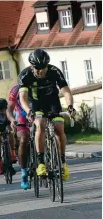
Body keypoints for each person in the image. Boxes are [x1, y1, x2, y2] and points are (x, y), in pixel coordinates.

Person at [18, 48, 76, 181]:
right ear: (32, 66)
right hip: (36, 104)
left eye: (43, 68)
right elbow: (23, 98)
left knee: (59, 127)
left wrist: (70, 106)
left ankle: (62, 162)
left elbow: (66, 91)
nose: (41, 71)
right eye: (37, 68)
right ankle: (41, 162)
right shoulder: (25, 75)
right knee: (40, 124)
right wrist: (28, 111)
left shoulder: (54, 71)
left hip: (52, 102)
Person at [7, 84, 30, 189]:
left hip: (38, 112)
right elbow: (9, 109)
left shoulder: (41, 83)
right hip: (21, 114)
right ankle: (24, 172)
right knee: (23, 139)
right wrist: (12, 119)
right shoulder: (16, 89)